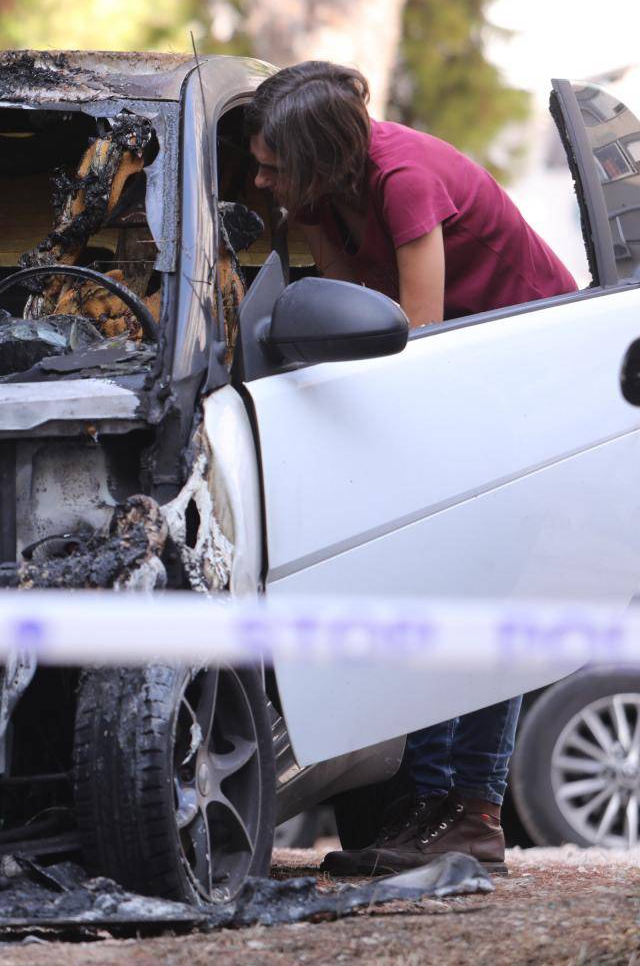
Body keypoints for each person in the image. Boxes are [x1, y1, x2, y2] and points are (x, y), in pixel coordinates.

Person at [245, 61, 578, 877]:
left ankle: (472, 814)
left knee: (481, 603)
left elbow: (412, 340)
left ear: (319, 156)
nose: (257, 178)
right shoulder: (322, 198)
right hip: (460, 398)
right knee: (429, 599)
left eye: (271, 165)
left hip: (526, 388)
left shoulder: (405, 181)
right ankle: (424, 810)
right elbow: (344, 315)